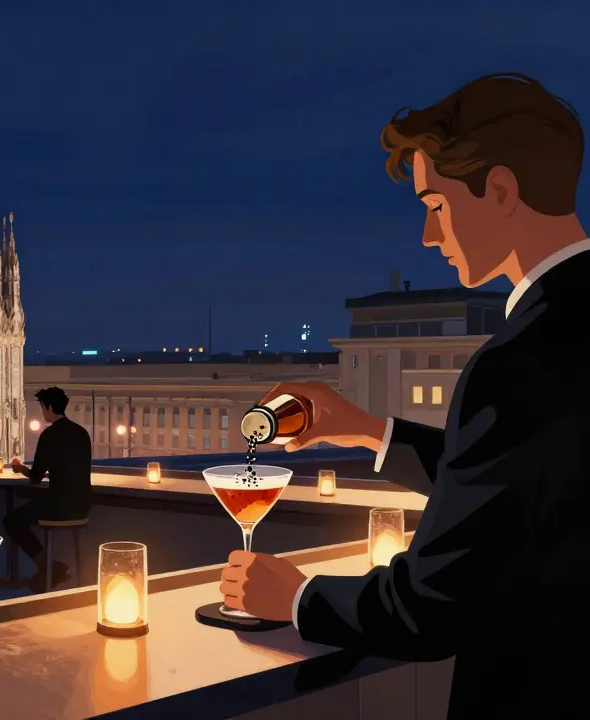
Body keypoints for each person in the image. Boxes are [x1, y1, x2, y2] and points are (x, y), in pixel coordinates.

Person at [219, 73, 590, 719]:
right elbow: (530, 476)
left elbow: (433, 606)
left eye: (437, 205)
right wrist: (368, 429)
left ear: (501, 190)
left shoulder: (517, 361)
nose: (427, 234)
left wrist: (300, 598)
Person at [0, 386, 92, 593]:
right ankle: (51, 568)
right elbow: (76, 467)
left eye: (42, 407)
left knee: (12, 520)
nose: (42, 412)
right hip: (83, 503)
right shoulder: (81, 432)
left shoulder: (49, 435)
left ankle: (48, 565)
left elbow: (34, 478)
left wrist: (20, 468)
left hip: (60, 506)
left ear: (49, 407)